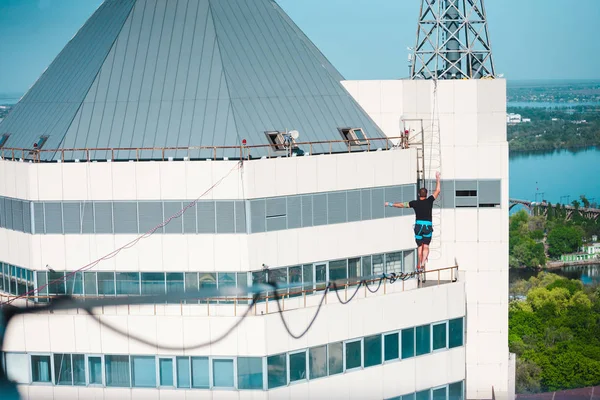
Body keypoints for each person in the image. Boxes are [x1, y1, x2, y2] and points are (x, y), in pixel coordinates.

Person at [384, 172, 441, 274]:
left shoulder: (414, 203)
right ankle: (423, 263)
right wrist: (437, 178)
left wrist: (390, 204)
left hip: (418, 226)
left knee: (420, 246)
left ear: (419, 195)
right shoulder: (430, 200)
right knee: (426, 246)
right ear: (426, 194)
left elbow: (401, 205)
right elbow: (438, 190)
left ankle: (419, 263)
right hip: (427, 226)